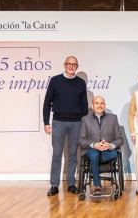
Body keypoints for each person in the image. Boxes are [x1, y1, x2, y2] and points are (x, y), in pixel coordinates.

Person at [43, 56, 88, 196]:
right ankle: (54, 185)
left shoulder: (81, 83)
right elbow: (47, 102)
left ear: (77, 66)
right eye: (69, 64)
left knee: (73, 155)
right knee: (57, 154)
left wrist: (84, 124)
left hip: (76, 123)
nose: (71, 66)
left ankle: (71, 183)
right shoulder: (55, 80)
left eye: (74, 64)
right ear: (64, 65)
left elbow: (84, 105)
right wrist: (46, 122)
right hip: (58, 122)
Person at [77, 96, 125, 196]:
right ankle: (97, 186)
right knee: (94, 155)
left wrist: (110, 145)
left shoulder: (113, 118)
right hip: (91, 149)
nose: (99, 105)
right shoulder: (85, 119)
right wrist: (94, 145)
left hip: (108, 150)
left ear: (105, 105)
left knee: (113, 154)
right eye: (97, 103)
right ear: (92, 105)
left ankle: (99, 156)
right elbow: (80, 140)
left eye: (101, 103)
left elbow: (120, 139)